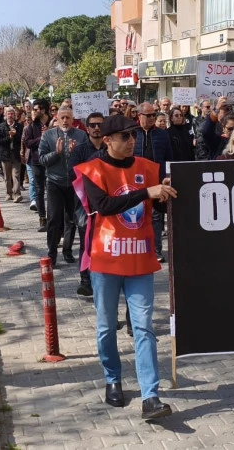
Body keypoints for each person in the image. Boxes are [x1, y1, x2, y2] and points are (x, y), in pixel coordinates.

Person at [74, 114, 177, 420]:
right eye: (124, 137)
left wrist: (165, 192)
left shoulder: (148, 168)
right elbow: (104, 206)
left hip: (140, 259)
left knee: (143, 327)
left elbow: (157, 206)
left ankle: (150, 395)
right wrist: (147, 192)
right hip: (105, 260)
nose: (131, 141)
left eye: (132, 135)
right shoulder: (92, 169)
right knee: (107, 326)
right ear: (107, 141)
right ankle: (113, 378)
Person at [39, 106, 89, 268]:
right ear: (57, 118)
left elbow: (87, 159)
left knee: (72, 219)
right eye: (63, 118)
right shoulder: (48, 136)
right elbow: (42, 160)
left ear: (73, 119)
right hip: (54, 181)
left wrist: (74, 154)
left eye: (68, 118)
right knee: (54, 218)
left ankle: (67, 251)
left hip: (74, 183)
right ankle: (52, 253)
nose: (66, 121)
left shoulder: (81, 136)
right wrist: (57, 153)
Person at [69, 112, 107, 296]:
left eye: (100, 124)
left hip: (108, 203)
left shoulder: (111, 149)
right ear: (87, 127)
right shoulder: (79, 150)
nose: (96, 128)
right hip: (85, 204)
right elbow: (73, 174)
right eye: (92, 125)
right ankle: (85, 280)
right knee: (86, 240)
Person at [134, 102, 172, 262]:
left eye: (153, 115)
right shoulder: (132, 133)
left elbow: (169, 158)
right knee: (137, 217)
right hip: (136, 182)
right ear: (139, 116)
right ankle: (137, 249)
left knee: (156, 217)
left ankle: (156, 251)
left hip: (157, 181)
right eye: (148, 115)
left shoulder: (162, 134)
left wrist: (168, 176)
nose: (151, 118)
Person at [24, 99, 51, 225]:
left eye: (35, 109)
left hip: (53, 162)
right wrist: (41, 138)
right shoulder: (31, 126)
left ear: (43, 110)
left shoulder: (53, 123)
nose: (33, 112)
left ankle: (53, 217)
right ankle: (42, 217)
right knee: (39, 190)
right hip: (37, 161)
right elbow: (28, 143)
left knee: (52, 190)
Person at [0, 107, 24, 202]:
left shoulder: (19, 126)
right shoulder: (1, 126)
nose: (10, 115)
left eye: (12, 114)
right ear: (5, 115)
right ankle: (9, 193)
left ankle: (17, 194)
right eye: (9, 114)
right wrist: (9, 136)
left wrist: (15, 135)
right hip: (5, 155)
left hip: (16, 155)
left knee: (16, 175)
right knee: (7, 177)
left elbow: (22, 140)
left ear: (14, 115)